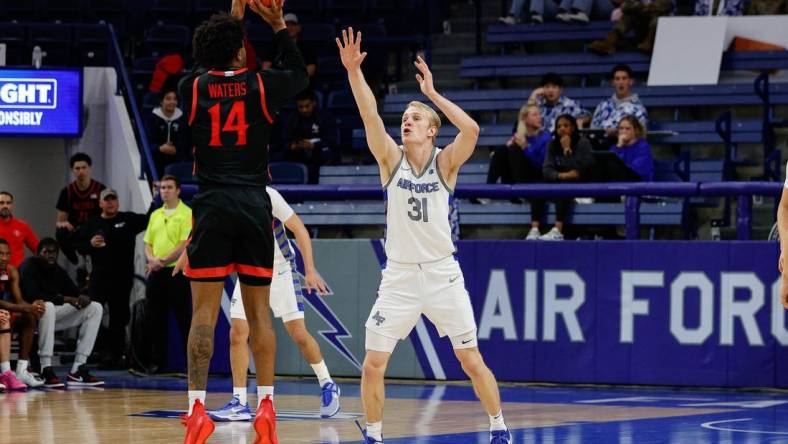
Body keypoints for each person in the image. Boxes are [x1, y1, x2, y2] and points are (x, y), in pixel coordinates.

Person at [337, 28, 512, 444]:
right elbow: (369, 115)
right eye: (405, 119)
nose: (406, 122)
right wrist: (353, 74)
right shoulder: (390, 160)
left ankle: (499, 429)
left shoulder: (445, 163)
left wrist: (432, 95)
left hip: (441, 274)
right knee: (372, 364)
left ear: (432, 130)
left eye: (415, 119)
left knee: (470, 359)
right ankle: (375, 436)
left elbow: (470, 131)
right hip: (398, 276)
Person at [173, 1, 308, 442]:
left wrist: (231, 21)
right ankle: (266, 407)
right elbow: (298, 75)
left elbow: (215, 63)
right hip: (254, 205)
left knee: (203, 317)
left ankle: (196, 409)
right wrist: (274, 25)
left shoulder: (190, 88)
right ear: (240, 54)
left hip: (210, 206)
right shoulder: (260, 86)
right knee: (259, 317)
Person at [209, 186, 338, 422]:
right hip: (249, 272)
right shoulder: (227, 197)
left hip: (280, 271)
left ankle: (328, 384)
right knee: (237, 333)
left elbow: (300, 230)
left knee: (298, 334)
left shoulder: (269, 195)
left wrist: (309, 270)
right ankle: (239, 401)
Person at [77, 189, 152, 370]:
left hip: (122, 278)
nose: (110, 203)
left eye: (113, 200)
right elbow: (79, 245)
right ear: (100, 203)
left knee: (119, 318)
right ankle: (90, 354)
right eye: (106, 200)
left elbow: (150, 218)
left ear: (117, 202)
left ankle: (115, 356)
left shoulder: (128, 219)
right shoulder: (92, 223)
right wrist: (90, 244)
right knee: (93, 313)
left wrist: (156, 197)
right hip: (99, 279)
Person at [19, 238, 104, 387]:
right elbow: (32, 294)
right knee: (48, 306)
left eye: (54, 253)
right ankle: (46, 367)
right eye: (47, 252)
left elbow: (75, 293)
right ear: (38, 253)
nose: (51, 256)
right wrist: (65, 298)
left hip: (50, 318)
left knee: (95, 307)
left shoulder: (57, 270)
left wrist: (83, 297)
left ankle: (78, 368)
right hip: (29, 317)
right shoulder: (29, 266)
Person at [143, 175, 192, 374]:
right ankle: (157, 363)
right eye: (162, 187)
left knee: (183, 319)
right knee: (155, 319)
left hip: (176, 272)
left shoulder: (186, 213)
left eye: (169, 187)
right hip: (156, 273)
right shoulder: (155, 214)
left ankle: (190, 364)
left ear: (178, 190)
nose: (165, 191)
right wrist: (152, 260)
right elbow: (148, 242)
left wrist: (162, 260)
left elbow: (183, 244)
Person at [539, 114, 594, 241]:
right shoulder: (552, 145)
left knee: (564, 187)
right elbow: (547, 169)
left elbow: (582, 171)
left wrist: (567, 150)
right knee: (538, 186)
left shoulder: (583, 143)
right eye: (559, 126)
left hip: (581, 187)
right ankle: (535, 229)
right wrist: (560, 175)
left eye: (566, 126)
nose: (562, 129)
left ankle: (558, 229)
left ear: (573, 128)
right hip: (558, 182)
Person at [0, 238, 46, 390]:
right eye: (0, 254)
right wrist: (26, 308)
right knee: (5, 315)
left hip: (3, 313)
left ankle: (21, 370)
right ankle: (5, 372)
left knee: (29, 317)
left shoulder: (11, 271)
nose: (4, 258)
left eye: (7, 254)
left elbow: (19, 300)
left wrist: (33, 307)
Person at [272, 89, 339, 183]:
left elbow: (332, 142)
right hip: (297, 159)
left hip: (319, 160)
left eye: (307, 106)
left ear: (314, 103)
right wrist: (292, 146)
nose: (304, 110)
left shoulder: (325, 118)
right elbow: (283, 142)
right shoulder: (291, 120)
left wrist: (314, 146)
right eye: (301, 107)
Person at [55, 152, 107, 265]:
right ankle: (75, 260)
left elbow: (107, 213)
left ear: (89, 169)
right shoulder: (67, 191)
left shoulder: (100, 189)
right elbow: (60, 221)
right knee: (60, 233)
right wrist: (62, 224)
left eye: (84, 167)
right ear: (73, 170)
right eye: (77, 168)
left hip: (95, 229)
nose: (81, 171)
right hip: (76, 230)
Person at [588, 0, 673, 54]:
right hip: (642, 29)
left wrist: (641, 6)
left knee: (658, 18)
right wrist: (646, 7)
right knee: (628, 15)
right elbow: (626, 6)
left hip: (661, 34)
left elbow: (665, 5)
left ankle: (649, 43)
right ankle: (610, 42)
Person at [590, 64, 648, 136]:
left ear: (631, 81)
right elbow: (592, 132)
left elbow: (640, 136)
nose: (621, 82)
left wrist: (617, 134)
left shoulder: (639, 109)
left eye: (624, 78)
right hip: (600, 144)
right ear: (613, 82)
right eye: (617, 79)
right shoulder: (602, 105)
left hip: (624, 145)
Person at [145, 88, 190, 179]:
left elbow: (186, 140)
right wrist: (160, 148)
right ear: (161, 101)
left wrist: (176, 149)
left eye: (174, 99)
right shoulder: (152, 118)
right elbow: (148, 141)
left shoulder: (183, 118)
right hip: (156, 159)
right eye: (168, 99)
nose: (172, 102)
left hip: (177, 158)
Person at [262, 13, 317, 79]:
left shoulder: (306, 47)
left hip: (299, 83)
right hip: (278, 83)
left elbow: (311, 69)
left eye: (293, 25)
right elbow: (265, 68)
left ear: (298, 28)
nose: (290, 28)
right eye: (286, 25)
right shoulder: (273, 46)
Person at [0, 191, 39, 268]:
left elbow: (38, 249)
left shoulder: (22, 226)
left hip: (18, 275)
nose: (5, 206)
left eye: (8, 203)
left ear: (12, 205)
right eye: (1, 203)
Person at [609, 115, 653, 181]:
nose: (624, 131)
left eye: (627, 128)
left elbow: (634, 172)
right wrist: (619, 146)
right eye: (621, 128)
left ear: (636, 130)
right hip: (618, 185)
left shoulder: (643, 147)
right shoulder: (615, 147)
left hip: (639, 185)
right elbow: (609, 168)